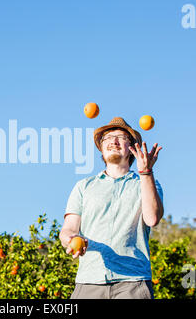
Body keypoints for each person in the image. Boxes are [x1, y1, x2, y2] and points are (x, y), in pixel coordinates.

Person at [59, 116, 164, 299]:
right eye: (107, 138)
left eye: (121, 138)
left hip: (133, 283)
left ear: (132, 148)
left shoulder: (146, 183)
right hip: (88, 281)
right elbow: (68, 229)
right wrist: (70, 240)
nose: (113, 141)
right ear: (101, 148)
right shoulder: (83, 186)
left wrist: (146, 172)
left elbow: (152, 219)